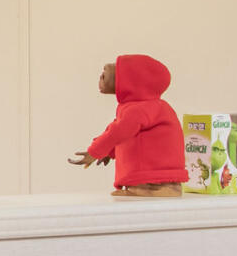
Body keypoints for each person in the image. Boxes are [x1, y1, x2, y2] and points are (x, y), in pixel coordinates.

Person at [71, 53, 186, 198]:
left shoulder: (141, 109)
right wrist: (110, 151)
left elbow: (119, 131)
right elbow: (124, 132)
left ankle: (147, 190)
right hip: (149, 178)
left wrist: (95, 151)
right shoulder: (141, 107)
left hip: (154, 181)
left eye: (105, 75)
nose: (102, 77)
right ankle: (142, 189)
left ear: (131, 82)